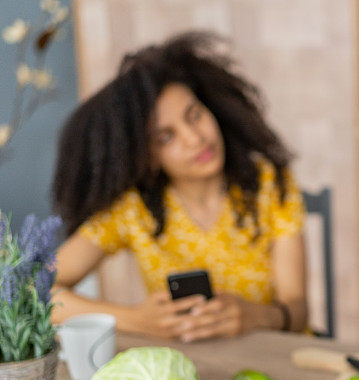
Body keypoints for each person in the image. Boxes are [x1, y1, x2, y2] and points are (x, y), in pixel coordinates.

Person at [52, 32, 308, 342]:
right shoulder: (132, 209)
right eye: (166, 137)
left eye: (195, 115)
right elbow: (33, 291)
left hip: (272, 363)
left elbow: (298, 312)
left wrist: (257, 316)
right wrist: (135, 319)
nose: (195, 138)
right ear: (148, 158)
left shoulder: (269, 183)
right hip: (191, 364)